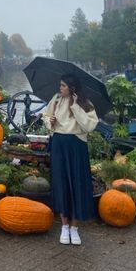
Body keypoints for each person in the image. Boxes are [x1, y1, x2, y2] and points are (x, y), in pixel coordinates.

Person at [42, 73, 99, 246]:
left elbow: (89, 125)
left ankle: (74, 227)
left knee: (77, 183)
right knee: (61, 183)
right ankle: (64, 226)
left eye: (63, 85)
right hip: (59, 144)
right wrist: (49, 121)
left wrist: (75, 107)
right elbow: (46, 115)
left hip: (76, 146)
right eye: (60, 85)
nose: (60, 88)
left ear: (72, 88)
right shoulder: (56, 99)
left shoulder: (85, 103)